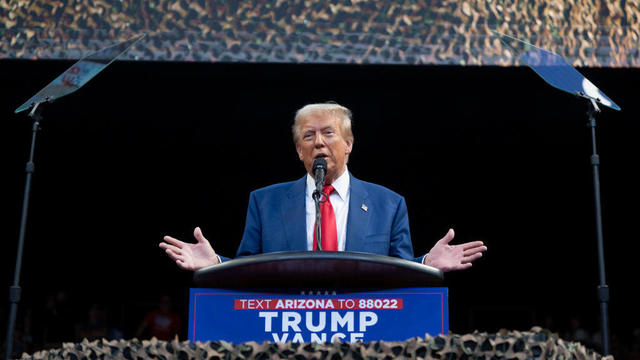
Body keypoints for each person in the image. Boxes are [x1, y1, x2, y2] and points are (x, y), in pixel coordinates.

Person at [160, 103, 486, 272]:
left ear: (348, 144)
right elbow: (249, 269)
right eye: (308, 136)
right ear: (299, 152)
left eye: (328, 133)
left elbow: (398, 272)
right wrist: (216, 264)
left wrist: (426, 264)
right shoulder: (264, 203)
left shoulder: (389, 204)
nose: (318, 142)